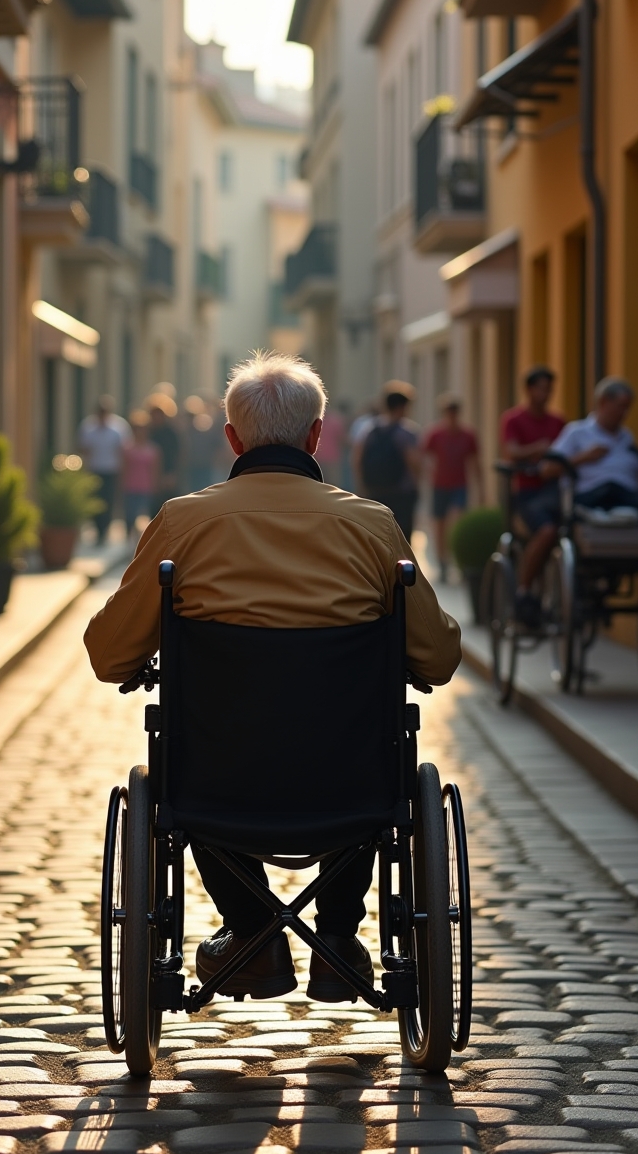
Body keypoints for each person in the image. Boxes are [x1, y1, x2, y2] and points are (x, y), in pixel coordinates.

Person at [85, 351, 461, 1003]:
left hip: (219, 778)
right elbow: (437, 657)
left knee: (188, 762)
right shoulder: (372, 526)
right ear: (317, 436)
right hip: (350, 778)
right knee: (370, 758)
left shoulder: (184, 523)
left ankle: (253, 931)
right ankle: (338, 940)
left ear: (232, 439)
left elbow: (109, 655)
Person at [500, 367, 566, 628]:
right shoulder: (513, 420)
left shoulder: (558, 422)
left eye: (549, 388)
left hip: (556, 492)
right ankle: (524, 591)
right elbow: (511, 451)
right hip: (528, 494)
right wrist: (538, 449)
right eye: (541, 387)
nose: (546, 393)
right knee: (547, 531)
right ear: (528, 390)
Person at [547, 377, 638, 520]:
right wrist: (583, 457)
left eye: (627, 408)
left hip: (627, 496)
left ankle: (621, 515)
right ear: (603, 402)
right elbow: (547, 469)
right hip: (592, 495)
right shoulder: (576, 432)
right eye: (620, 406)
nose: (624, 413)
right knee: (610, 489)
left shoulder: (627, 437)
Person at [422, 395, 481, 582]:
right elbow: (424, 456)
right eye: (449, 412)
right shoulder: (435, 434)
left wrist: (481, 489)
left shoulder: (468, 435)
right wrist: (428, 475)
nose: (452, 416)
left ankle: (459, 561)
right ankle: (442, 563)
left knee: (457, 522)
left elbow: (475, 463)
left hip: (459, 486)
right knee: (439, 526)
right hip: (439, 485)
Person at [355, 382, 422, 542]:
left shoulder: (370, 429)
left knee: (378, 534)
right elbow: (413, 461)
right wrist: (417, 483)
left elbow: (357, 458)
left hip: (375, 490)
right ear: (402, 407)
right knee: (403, 536)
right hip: (402, 492)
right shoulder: (406, 432)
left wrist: (362, 485)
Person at [76, 395, 131, 545]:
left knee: (108, 501)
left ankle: (104, 530)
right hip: (94, 470)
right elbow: (82, 448)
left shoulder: (119, 427)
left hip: (112, 470)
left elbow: (123, 451)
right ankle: (97, 529)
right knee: (95, 501)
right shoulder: (88, 427)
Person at [121, 410, 161, 536]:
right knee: (129, 515)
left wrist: (155, 486)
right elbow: (123, 469)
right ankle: (129, 539)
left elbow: (155, 470)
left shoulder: (153, 449)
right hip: (130, 486)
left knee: (144, 517)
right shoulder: (127, 448)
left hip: (146, 487)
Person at [146, 394, 181, 515]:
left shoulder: (170, 433)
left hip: (167, 473)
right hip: (149, 474)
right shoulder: (148, 431)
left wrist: (172, 473)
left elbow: (177, 454)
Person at [314, 402, 347, 486]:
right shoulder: (336, 421)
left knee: (319, 483)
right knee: (333, 485)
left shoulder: (314, 421)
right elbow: (342, 440)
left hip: (318, 458)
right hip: (333, 458)